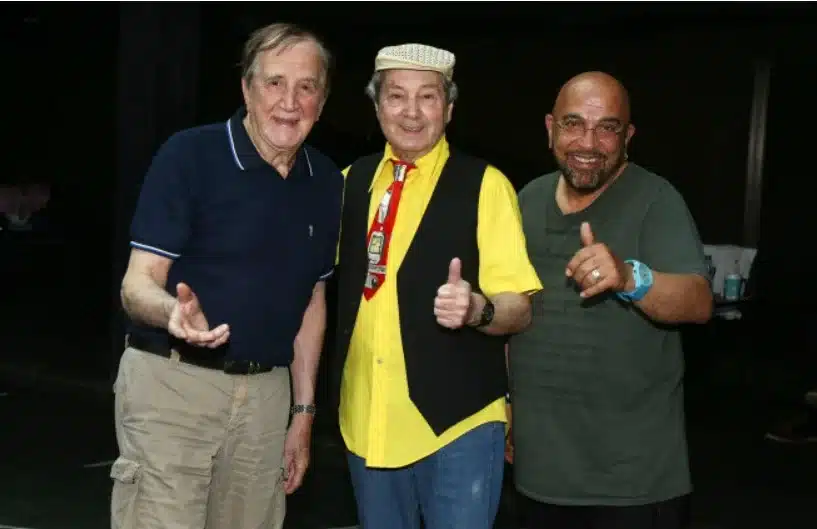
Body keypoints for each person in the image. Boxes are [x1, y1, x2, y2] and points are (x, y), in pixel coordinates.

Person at [112, 23, 343, 529]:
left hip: (266, 400)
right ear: (246, 88)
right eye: (274, 82)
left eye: (306, 87)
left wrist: (303, 414)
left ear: (322, 101)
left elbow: (312, 299)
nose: (289, 102)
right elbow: (136, 284)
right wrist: (171, 313)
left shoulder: (326, 181)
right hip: (173, 386)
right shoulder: (189, 156)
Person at [332, 43, 542, 529]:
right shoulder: (348, 182)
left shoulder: (486, 185)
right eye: (396, 96)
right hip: (366, 419)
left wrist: (477, 310)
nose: (411, 112)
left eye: (427, 97)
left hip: (458, 426)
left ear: (448, 109)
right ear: (377, 106)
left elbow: (520, 308)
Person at [509, 71, 713, 529]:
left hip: (632, 484)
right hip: (538, 473)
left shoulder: (656, 199)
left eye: (607, 128)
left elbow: (699, 302)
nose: (588, 142)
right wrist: (506, 403)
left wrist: (629, 277)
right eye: (573, 124)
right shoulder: (525, 200)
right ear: (550, 128)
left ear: (628, 137)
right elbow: (514, 311)